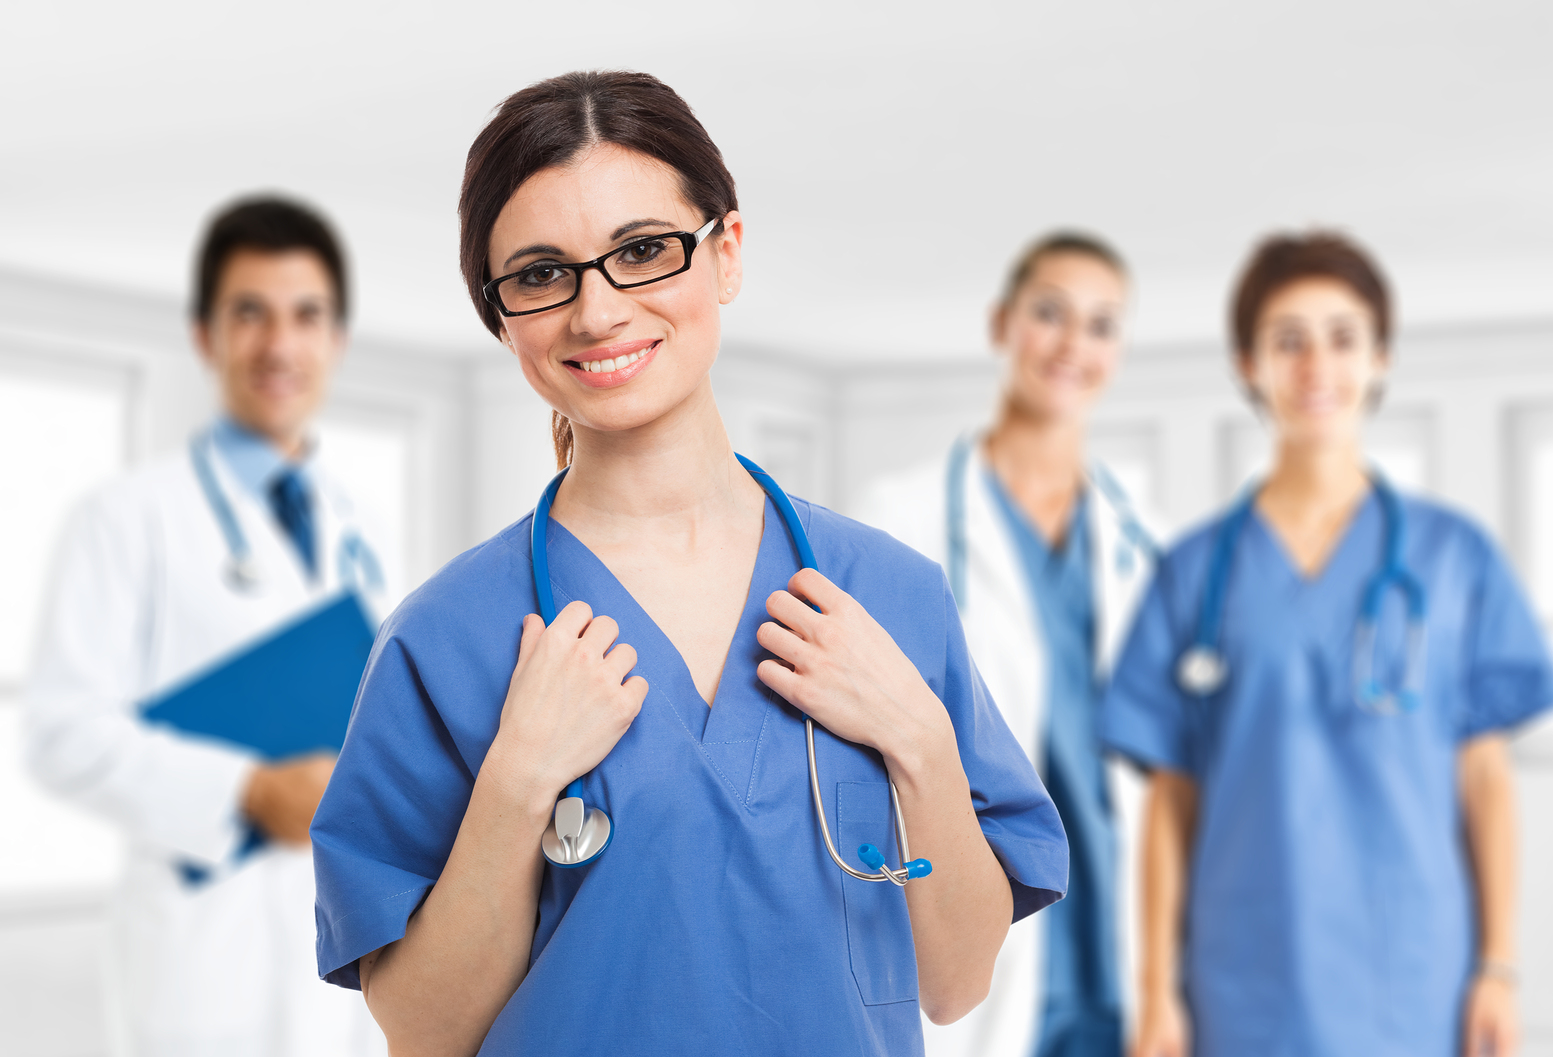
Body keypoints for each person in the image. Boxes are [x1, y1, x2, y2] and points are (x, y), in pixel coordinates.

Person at [308, 70, 1070, 1057]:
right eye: (541, 274)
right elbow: (423, 1033)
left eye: (641, 251)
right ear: (499, 317)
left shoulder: (889, 594)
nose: (596, 310)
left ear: (726, 253)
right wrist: (517, 781)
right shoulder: (444, 639)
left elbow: (956, 983)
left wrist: (917, 738)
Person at [1101, 232, 1553, 1057]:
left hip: (1414, 964)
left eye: (1343, 337)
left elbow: (1485, 777)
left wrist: (1499, 964)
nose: (1318, 365)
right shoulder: (1194, 571)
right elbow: (1169, 804)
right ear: (1248, 363)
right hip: (1241, 967)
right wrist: (1153, 991)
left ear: (1381, 358)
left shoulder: (1454, 557)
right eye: (1289, 340)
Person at [25, 197, 392, 1057]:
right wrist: (246, 791)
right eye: (249, 313)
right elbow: (61, 733)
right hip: (200, 961)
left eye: (306, 316)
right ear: (205, 335)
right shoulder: (126, 517)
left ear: (336, 340)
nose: (279, 345)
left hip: (339, 953)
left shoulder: (360, 526)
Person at [855, 233, 1158, 1057]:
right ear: (1002, 324)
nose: (1072, 344)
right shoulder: (900, 521)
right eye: (1050, 313)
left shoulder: (1144, 545)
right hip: (980, 941)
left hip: (1119, 954)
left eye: (1101, 324)